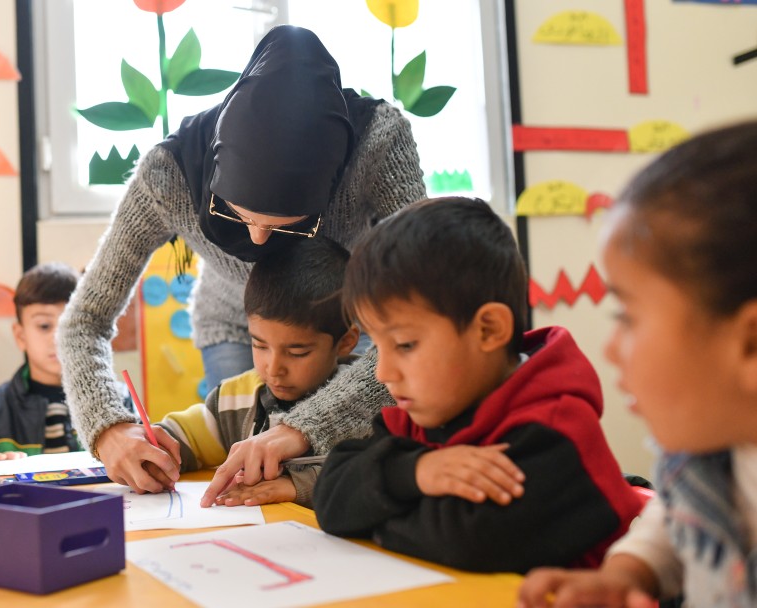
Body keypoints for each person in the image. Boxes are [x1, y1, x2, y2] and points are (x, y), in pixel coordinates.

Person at [58, 25, 425, 496]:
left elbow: (423, 317)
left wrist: (304, 429)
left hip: (342, 325)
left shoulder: (377, 142)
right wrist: (108, 428)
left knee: (333, 465)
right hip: (236, 325)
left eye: (287, 225)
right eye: (236, 215)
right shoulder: (166, 176)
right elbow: (83, 321)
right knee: (243, 457)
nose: (257, 239)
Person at [312, 197, 645, 574]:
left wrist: (373, 516)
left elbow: (469, 543)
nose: (383, 372)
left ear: (489, 330)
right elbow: (331, 495)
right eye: (377, 344)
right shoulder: (418, 415)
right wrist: (418, 472)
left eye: (405, 344)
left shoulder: (555, 427)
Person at [517, 122, 757, 606]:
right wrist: (628, 573)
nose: (608, 348)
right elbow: (676, 520)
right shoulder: (709, 456)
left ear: (750, 345)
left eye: (627, 316)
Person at [153, 237, 359, 508]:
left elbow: (371, 476)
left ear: (344, 342)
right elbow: (185, 436)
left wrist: (296, 486)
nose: (273, 369)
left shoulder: (360, 407)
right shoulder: (235, 397)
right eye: (259, 345)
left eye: (297, 353)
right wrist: (154, 450)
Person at [0, 263, 132, 462]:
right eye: (44, 326)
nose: (58, 337)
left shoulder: (119, 402)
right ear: (20, 336)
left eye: (69, 324)